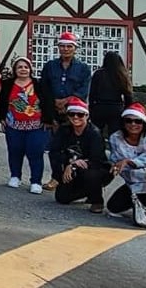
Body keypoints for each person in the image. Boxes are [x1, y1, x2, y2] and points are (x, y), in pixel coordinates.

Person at [39, 31, 91, 190]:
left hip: (74, 112)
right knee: (55, 147)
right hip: (53, 112)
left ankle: (72, 178)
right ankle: (55, 177)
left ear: (75, 49)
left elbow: (84, 90)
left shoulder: (83, 68)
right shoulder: (50, 66)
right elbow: (44, 88)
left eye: (69, 46)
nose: (65, 49)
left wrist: (66, 101)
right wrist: (53, 105)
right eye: (62, 46)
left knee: (73, 147)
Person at [48, 97, 112, 213]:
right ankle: (86, 190)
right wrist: (59, 173)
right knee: (62, 198)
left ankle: (97, 200)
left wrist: (75, 164)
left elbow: (97, 159)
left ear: (87, 116)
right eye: (72, 114)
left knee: (90, 174)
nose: (76, 117)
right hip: (71, 168)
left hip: (95, 169)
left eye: (80, 114)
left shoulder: (94, 133)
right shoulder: (64, 130)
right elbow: (54, 152)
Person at [0, 56, 51, 193]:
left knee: (35, 153)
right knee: (15, 151)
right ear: (15, 70)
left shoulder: (38, 84)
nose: (23, 70)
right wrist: (2, 117)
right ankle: (15, 176)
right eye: (20, 67)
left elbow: (47, 102)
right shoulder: (7, 84)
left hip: (36, 126)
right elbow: (2, 101)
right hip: (14, 125)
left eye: (26, 67)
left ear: (30, 69)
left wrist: (48, 120)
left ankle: (36, 181)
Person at [89, 51, 133, 138]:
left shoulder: (98, 74)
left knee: (96, 133)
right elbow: (128, 95)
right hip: (116, 107)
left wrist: (91, 107)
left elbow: (92, 93)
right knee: (115, 135)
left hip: (99, 106)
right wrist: (127, 110)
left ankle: (98, 149)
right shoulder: (121, 75)